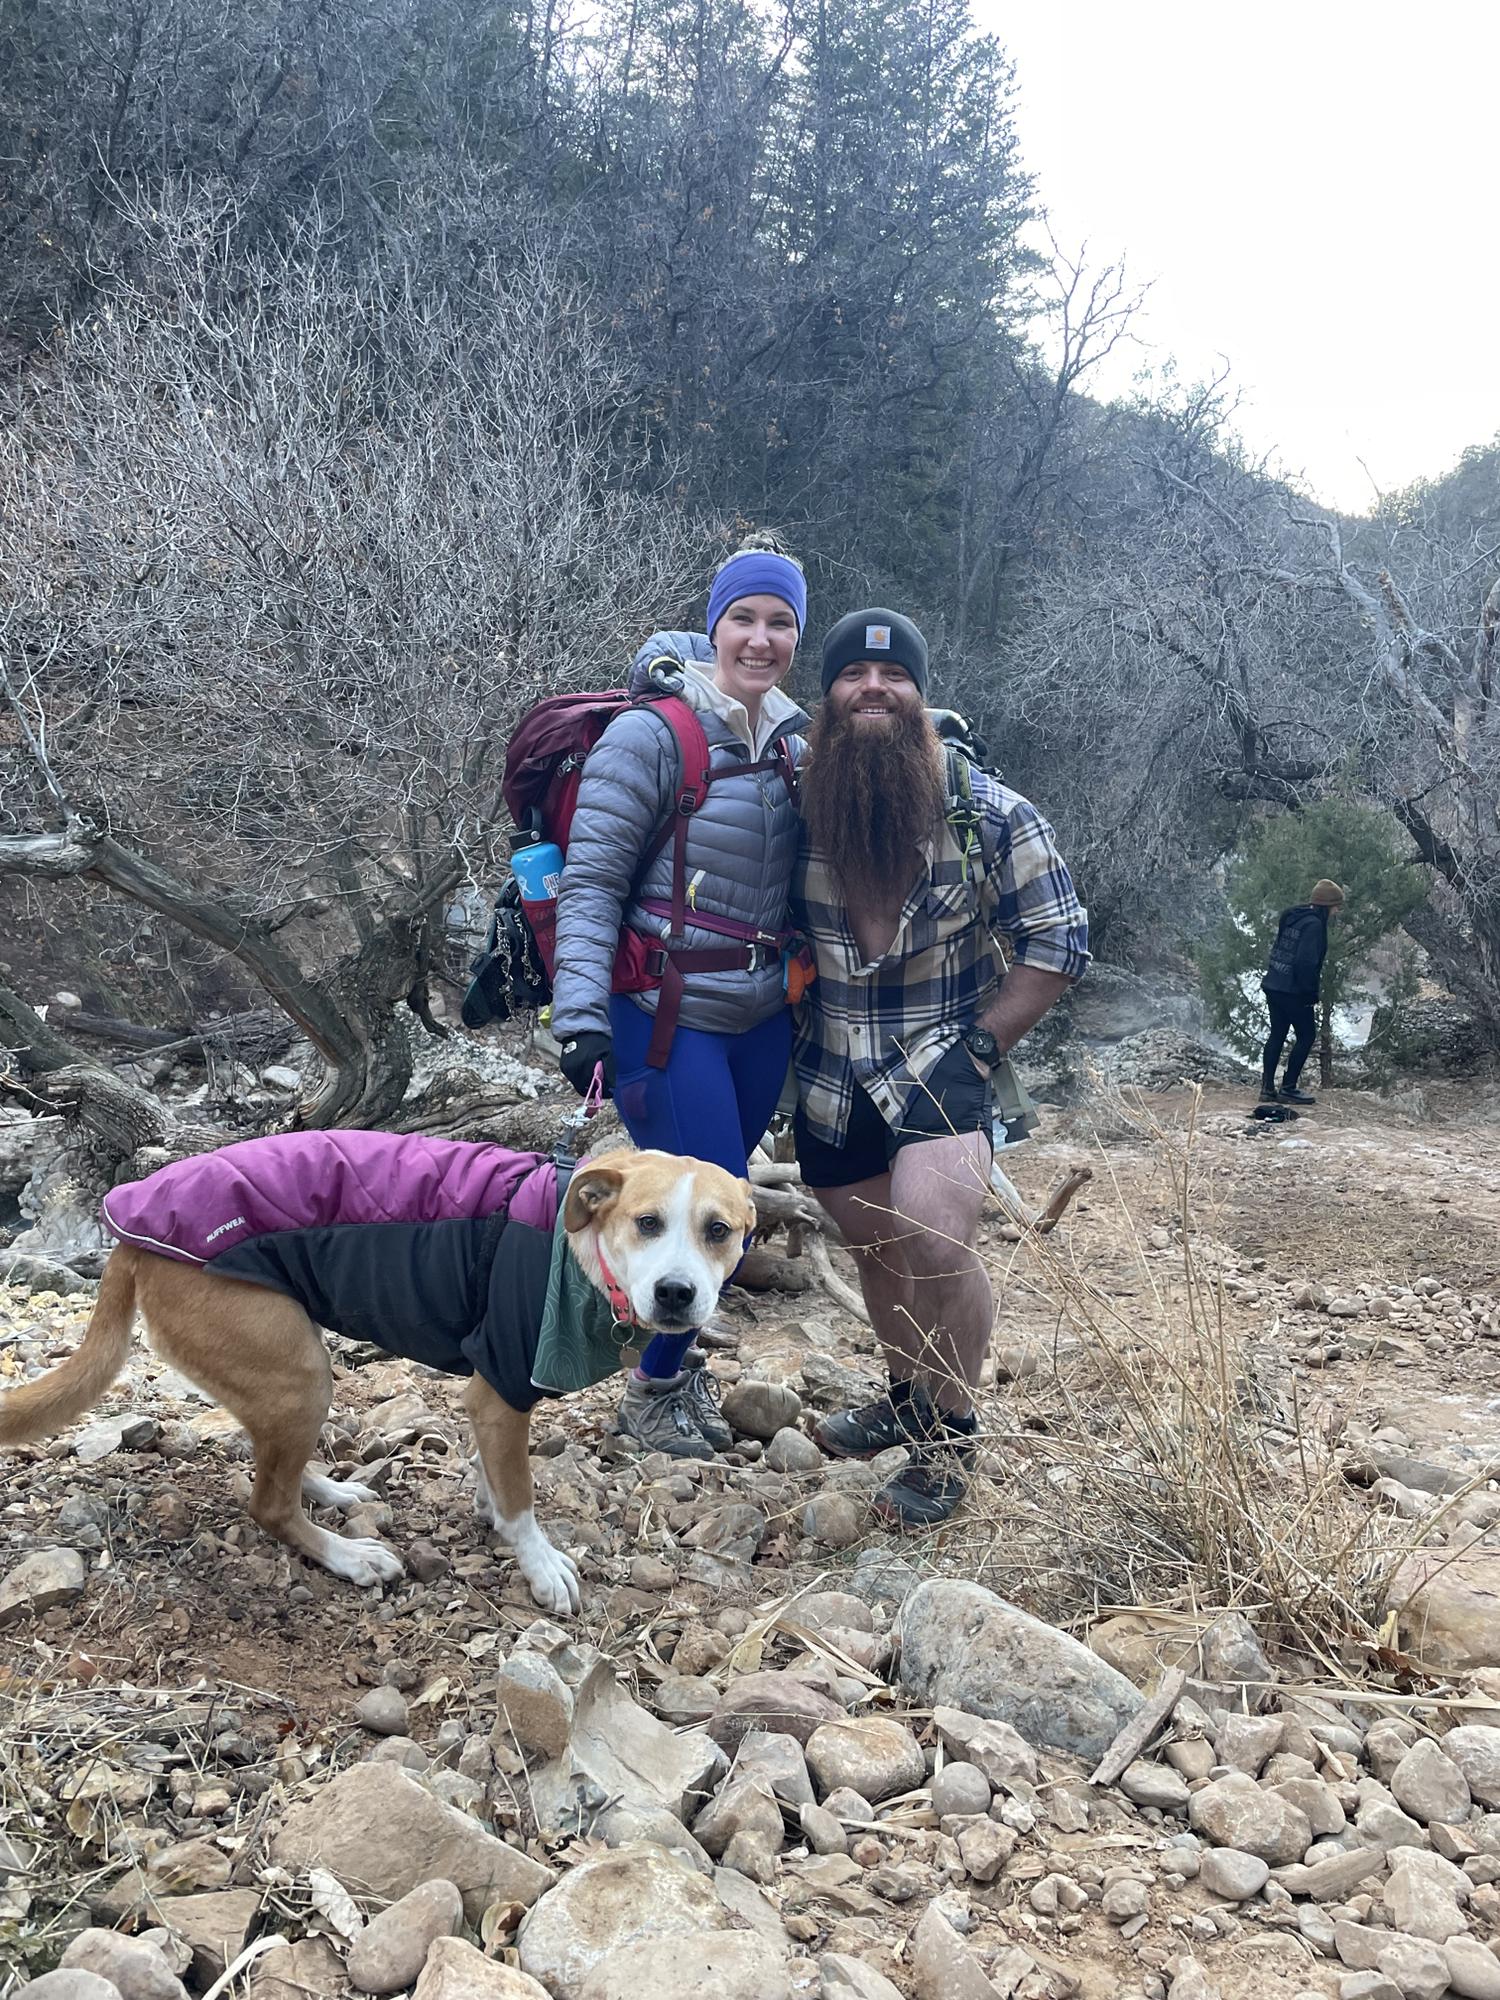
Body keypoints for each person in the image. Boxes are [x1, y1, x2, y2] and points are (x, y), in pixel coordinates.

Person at [791, 608, 1089, 1527]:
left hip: (941, 1058)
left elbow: (1060, 939)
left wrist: (986, 1046)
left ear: (921, 697)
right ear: (829, 696)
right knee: (874, 1245)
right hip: (830, 1069)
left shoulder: (986, 809)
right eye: (852, 676)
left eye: (894, 677)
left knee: (932, 1236)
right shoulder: (793, 804)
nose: (873, 688)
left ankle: (951, 1432)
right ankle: (906, 1392)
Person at [549, 539, 809, 1457]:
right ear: (714, 624)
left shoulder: (795, 744)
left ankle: (671, 1367)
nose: (761, 638)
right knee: (694, 1204)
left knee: (720, 1214)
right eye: (744, 617)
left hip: (759, 1020)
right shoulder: (653, 732)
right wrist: (579, 1014)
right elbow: (590, 883)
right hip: (664, 1012)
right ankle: (653, 1389)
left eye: (780, 622)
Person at [1259, 879, 1345, 1107]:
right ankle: (1288, 1088)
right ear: (1326, 906)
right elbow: (1305, 962)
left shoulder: (1292, 916)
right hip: (1293, 990)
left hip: (1274, 984)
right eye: (1336, 907)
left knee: (1277, 1034)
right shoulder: (1314, 926)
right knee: (1306, 1035)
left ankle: (1267, 1089)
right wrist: (1310, 995)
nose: (1337, 912)